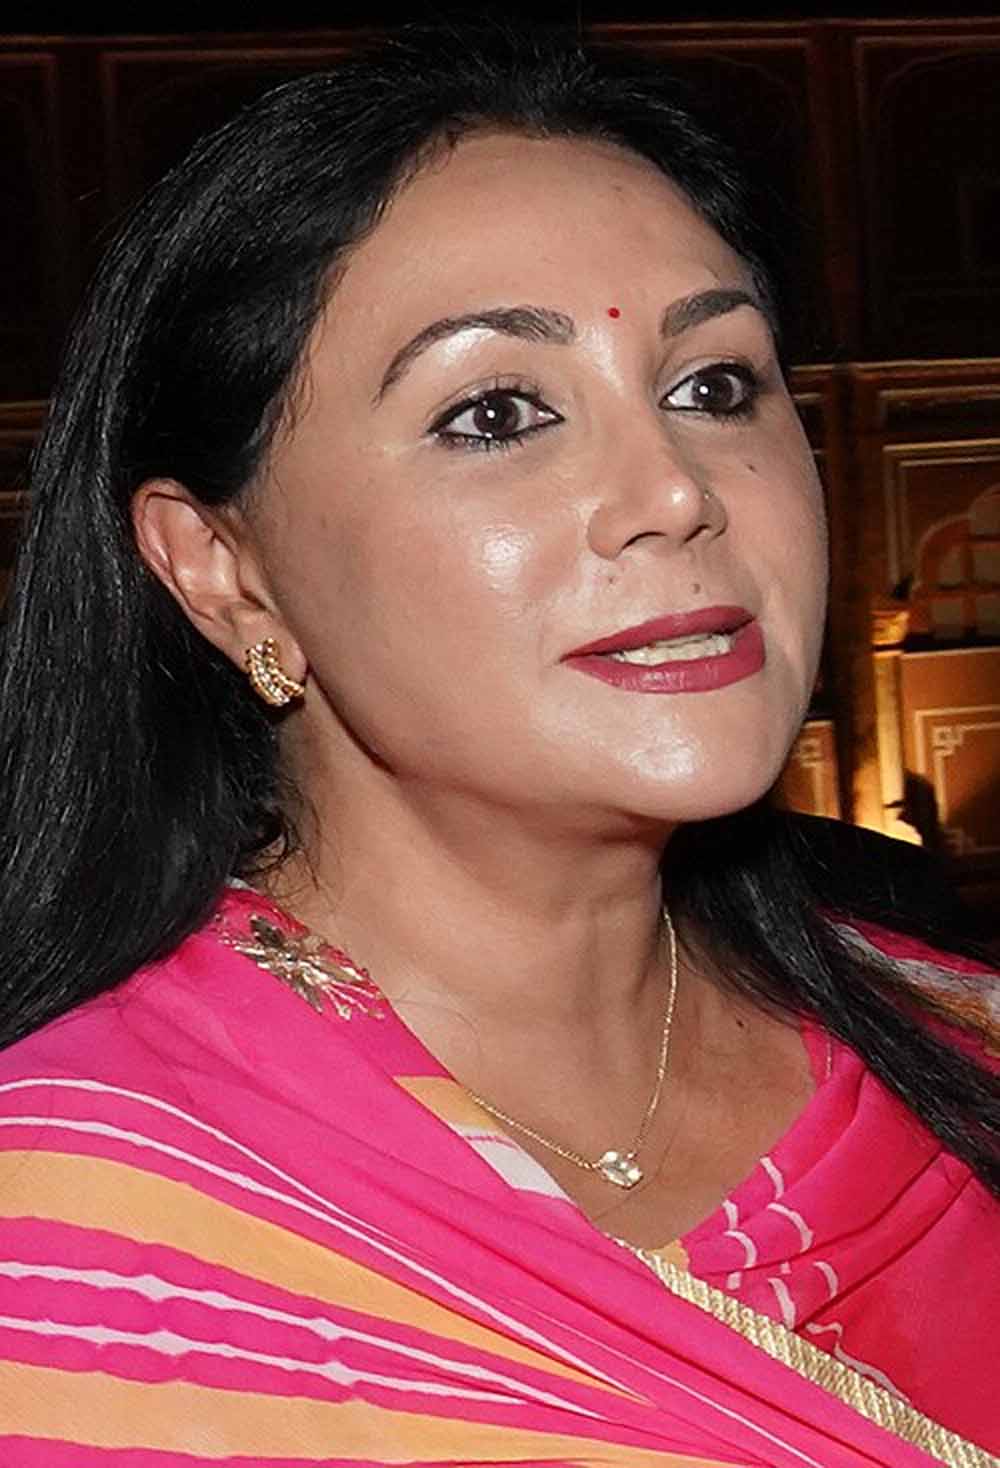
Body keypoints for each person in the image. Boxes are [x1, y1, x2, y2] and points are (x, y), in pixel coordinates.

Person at [0, 24, 996, 1467]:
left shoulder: (956, 1050)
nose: (675, 491)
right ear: (223, 571)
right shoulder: (80, 1240)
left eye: (715, 386)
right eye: (497, 413)